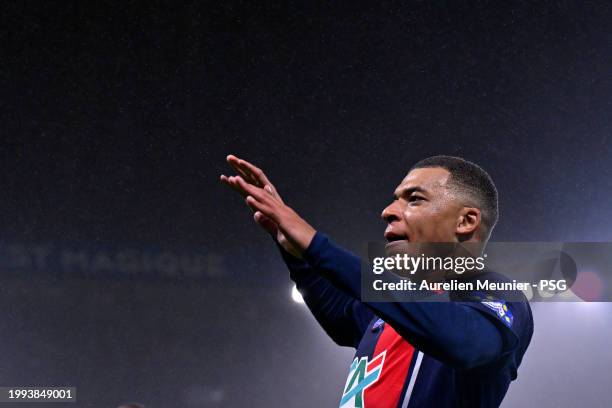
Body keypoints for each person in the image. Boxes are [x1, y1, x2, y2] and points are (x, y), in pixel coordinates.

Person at [220, 154, 533, 408]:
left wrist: (316, 244)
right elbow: (341, 314)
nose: (387, 211)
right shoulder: (394, 304)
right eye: (394, 199)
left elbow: (463, 341)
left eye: (414, 199)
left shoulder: (495, 293)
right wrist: (296, 253)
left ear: (465, 221)